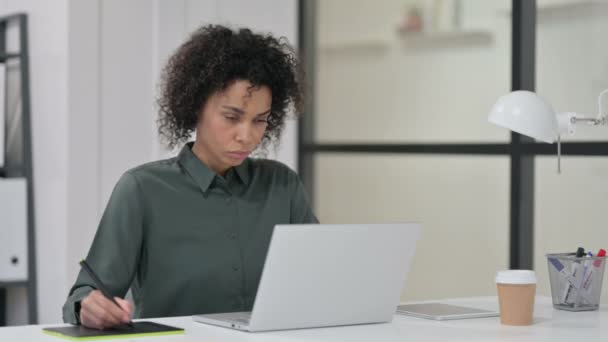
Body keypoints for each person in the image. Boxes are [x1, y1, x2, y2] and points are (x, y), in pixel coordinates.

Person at [62, 24, 317, 329]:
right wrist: (87, 307)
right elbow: (83, 295)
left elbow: (320, 276)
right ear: (196, 106)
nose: (247, 136)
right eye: (232, 117)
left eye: (260, 120)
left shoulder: (283, 185)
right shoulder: (142, 190)